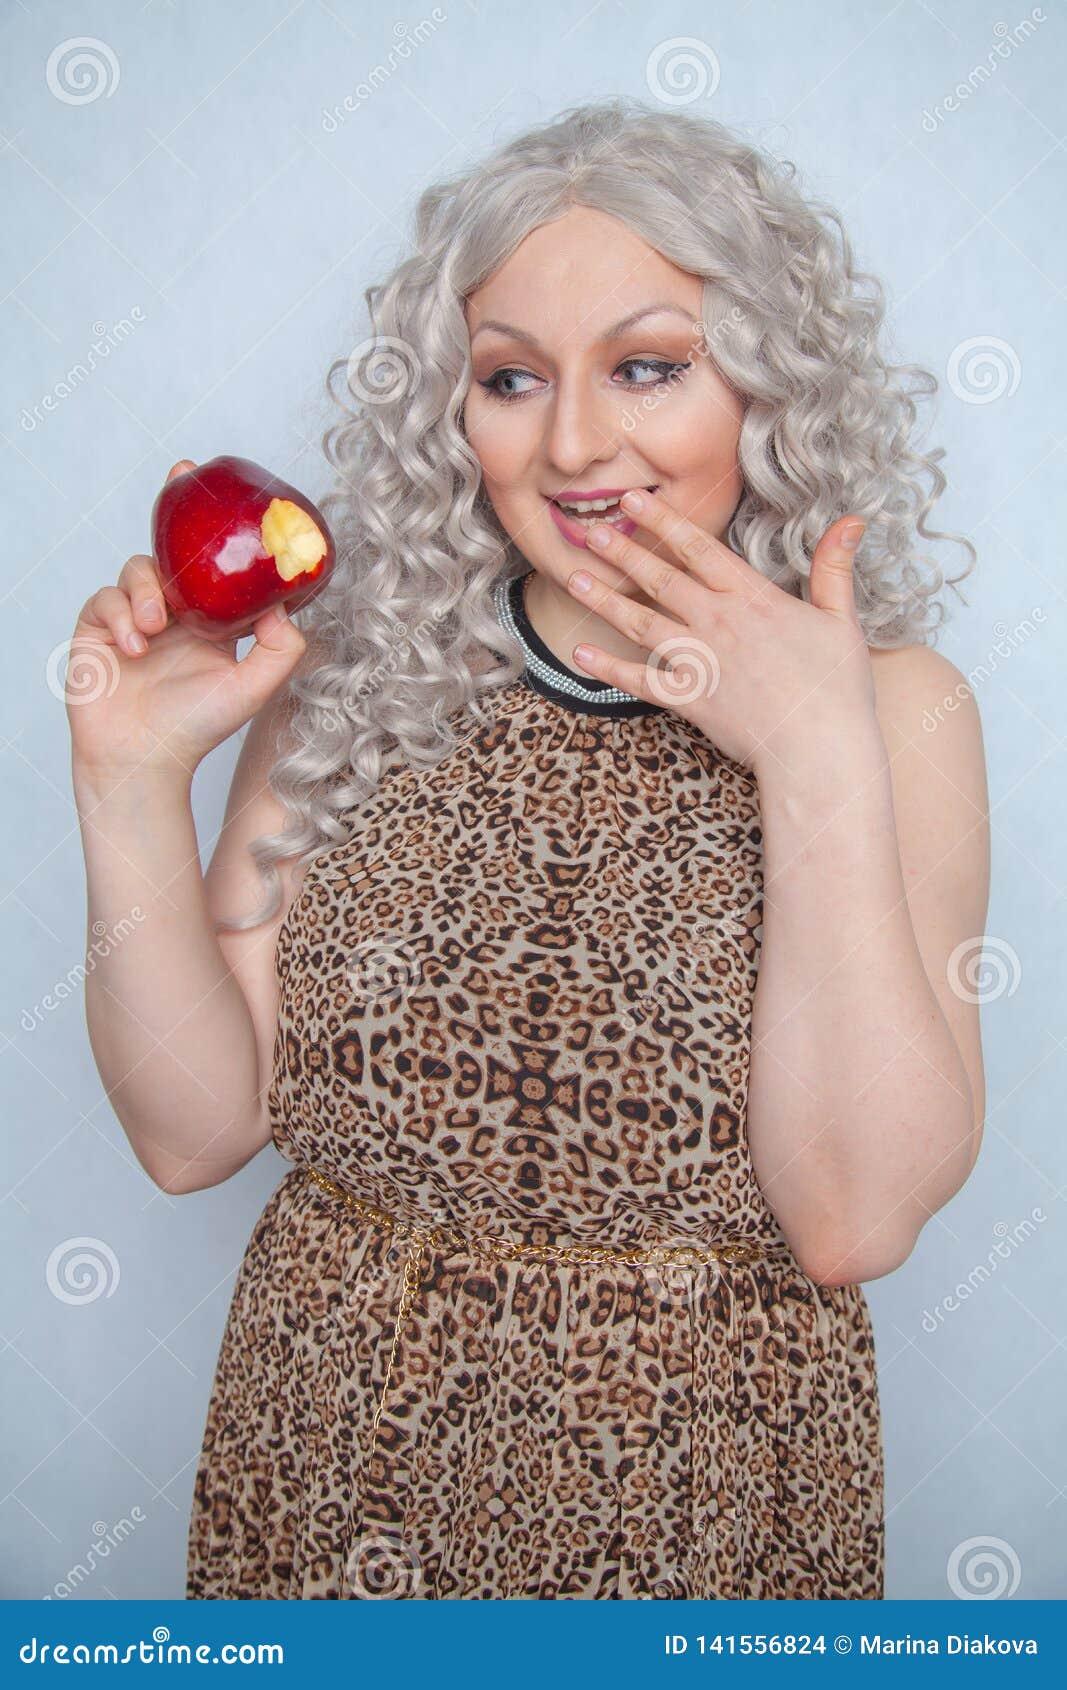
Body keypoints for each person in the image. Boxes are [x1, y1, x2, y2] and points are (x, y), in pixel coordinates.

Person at [67, 99, 990, 1600]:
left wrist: (813, 752)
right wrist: (124, 787)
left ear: (767, 386)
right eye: (510, 377)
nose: (572, 443)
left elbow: (853, 1213)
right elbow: (195, 1131)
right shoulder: (352, 679)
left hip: (698, 1506)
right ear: (456, 406)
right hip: (332, 1470)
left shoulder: (895, 713)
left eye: (649, 367)